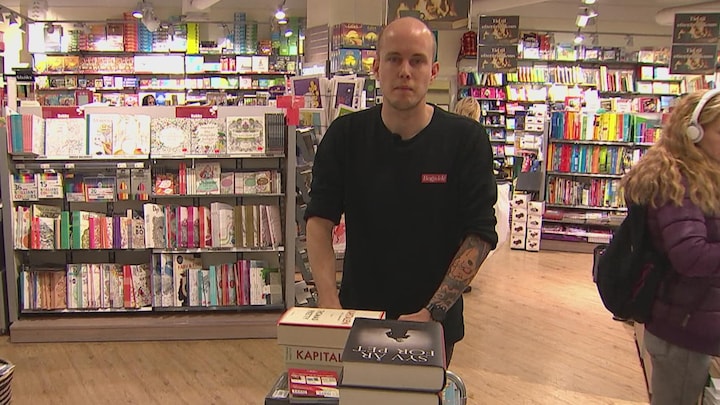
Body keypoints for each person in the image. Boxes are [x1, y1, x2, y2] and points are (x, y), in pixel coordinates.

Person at [304, 17, 498, 367]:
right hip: (358, 316)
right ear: (377, 67)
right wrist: (330, 303)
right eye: (394, 58)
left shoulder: (466, 141)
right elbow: (319, 221)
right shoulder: (345, 137)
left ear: (433, 71)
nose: (405, 71)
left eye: (417, 60)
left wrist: (433, 311)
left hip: (434, 325)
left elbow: (480, 234)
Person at [621, 89, 720, 405]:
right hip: (683, 328)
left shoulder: (701, 176)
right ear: (694, 132)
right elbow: (691, 256)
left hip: (691, 320)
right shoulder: (680, 181)